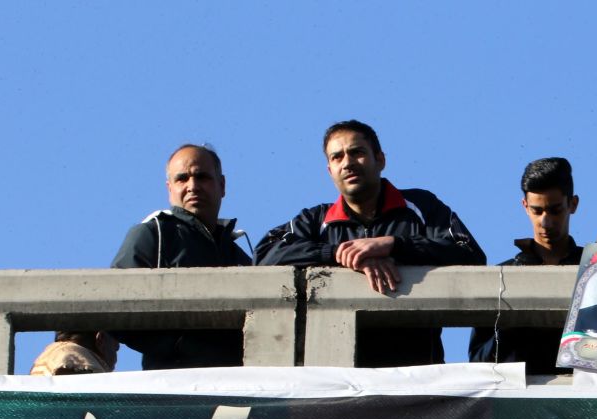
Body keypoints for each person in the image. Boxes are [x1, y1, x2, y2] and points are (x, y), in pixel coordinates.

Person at [256, 119, 485, 366]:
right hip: (337, 377)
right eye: (337, 157)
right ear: (329, 170)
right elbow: (264, 255)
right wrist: (338, 254)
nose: (348, 163)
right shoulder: (315, 220)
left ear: (381, 159)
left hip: (417, 376)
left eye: (357, 152)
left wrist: (394, 245)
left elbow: (469, 251)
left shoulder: (420, 206)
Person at [110, 144, 252, 369]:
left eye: (202, 177)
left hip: (235, 388)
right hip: (175, 389)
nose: (192, 186)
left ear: (222, 185)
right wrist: (178, 347)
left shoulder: (240, 257)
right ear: (170, 188)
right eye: (182, 179)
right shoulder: (152, 234)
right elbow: (114, 309)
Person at [468, 157, 581, 374]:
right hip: (518, 402)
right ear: (525, 206)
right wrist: (509, 332)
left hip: (582, 401)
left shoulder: (593, 270)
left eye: (555, 210)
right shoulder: (503, 277)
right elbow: (477, 361)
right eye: (537, 211)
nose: (545, 222)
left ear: (572, 204)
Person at [30, 332, 118, 376]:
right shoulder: (75, 362)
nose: (116, 361)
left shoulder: (49, 357)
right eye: (116, 348)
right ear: (101, 339)